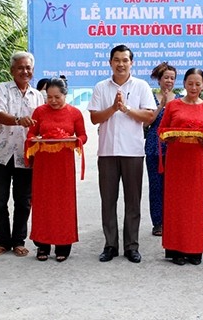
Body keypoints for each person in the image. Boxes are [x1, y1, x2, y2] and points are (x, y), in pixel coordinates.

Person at [88, 44, 156, 263]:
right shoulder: (101, 87)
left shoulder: (141, 86)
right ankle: (110, 245)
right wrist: (113, 109)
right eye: (116, 60)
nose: (121, 64)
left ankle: (131, 246)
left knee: (132, 201)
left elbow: (149, 117)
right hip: (107, 151)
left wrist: (126, 108)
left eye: (125, 60)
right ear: (110, 62)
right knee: (108, 201)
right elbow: (94, 118)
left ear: (131, 62)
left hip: (133, 151)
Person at [158, 68, 203, 265]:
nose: (193, 87)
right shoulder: (173, 105)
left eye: (198, 84)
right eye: (190, 83)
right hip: (176, 159)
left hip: (196, 161)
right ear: (184, 84)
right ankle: (175, 249)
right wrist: (171, 135)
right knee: (176, 204)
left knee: (195, 205)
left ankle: (194, 249)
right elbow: (161, 130)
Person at [0, 51, 44, 257]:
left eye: (28, 68)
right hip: (1, 155)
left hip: (26, 155)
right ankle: (3, 241)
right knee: (0, 201)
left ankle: (19, 240)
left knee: (23, 201)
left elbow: (42, 125)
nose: (25, 71)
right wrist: (20, 120)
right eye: (20, 67)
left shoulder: (38, 96)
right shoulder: (1, 89)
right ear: (12, 70)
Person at [25, 78, 87, 262]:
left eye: (57, 97)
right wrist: (33, 140)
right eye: (49, 97)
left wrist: (75, 141)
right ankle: (42, 245)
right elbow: (30, 133)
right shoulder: (39, 111)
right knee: (43, 202)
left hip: (64, 165)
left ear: (65, 95)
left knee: (63, 203)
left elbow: (82, 135)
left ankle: (63, 244)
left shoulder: (74, 113)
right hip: (43, 164)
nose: (52, 101)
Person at [144, 62, 179, 237]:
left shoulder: (180, 99)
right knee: (156, 186)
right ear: (159, 79)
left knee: (173, 186)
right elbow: (146, 122)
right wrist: (161, 105)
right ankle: (158, 222)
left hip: (175, 148)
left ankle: (172, 219)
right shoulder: (150, 97)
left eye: (172, 78)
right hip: (154, 147)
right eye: (166, 77)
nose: (169, 81)